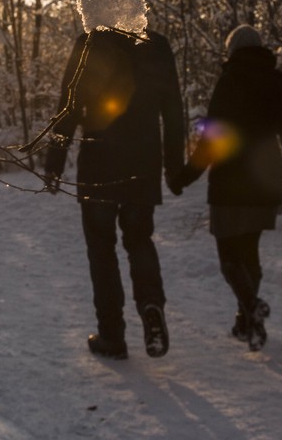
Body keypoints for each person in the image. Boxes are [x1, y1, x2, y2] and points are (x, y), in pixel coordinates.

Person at [44, 28, 187, 360]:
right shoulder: (157, 46)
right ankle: (151, 304)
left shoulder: (89, 43)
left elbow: (68, 105)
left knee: (101, 250)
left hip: (99, 166)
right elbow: (173, 111)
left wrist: (55, 160)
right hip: (143, 166)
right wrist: (174, 166)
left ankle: (112, 335)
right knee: (139, 240)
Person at [174, 24, 282, 353]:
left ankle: (251, 306)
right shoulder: (277, 86)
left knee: (228, 255)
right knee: (249, 250)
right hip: (267, 182)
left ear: (232, 50)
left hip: (231, 180)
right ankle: (246, 320)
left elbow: (212, 137)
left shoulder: (231, 80)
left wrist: (185, 177)